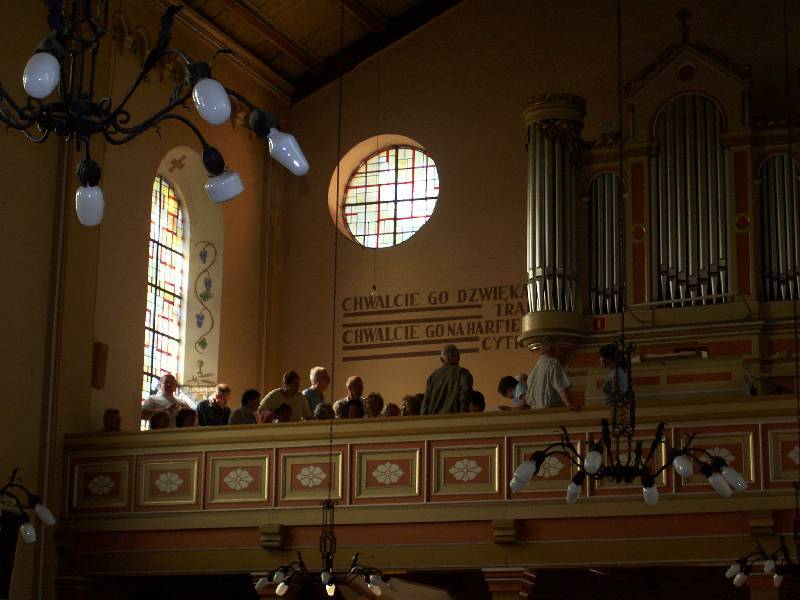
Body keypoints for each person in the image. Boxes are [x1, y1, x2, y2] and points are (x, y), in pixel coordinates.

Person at [525, 338, 580, 410]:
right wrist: (569, 404)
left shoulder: (535, 369)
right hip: (551, 410)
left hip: (536, 411)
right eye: (559, 349)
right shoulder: (553, 363)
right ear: (551, 349)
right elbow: (561, 386)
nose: (561, 353)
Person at [421, 345, 473, 414]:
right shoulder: (463, 373)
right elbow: (465, 396)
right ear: (458, 357)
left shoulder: (433, 376)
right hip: (455, 418)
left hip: (434, 419)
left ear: (441, 359)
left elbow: (425, 404)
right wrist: (462, 416)